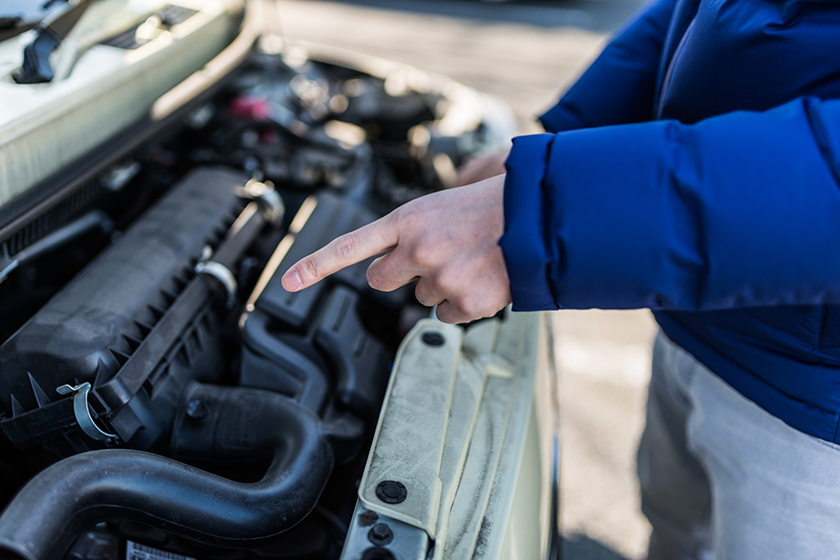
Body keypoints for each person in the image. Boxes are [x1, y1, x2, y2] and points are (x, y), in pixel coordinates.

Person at [281, 0, 840, 557]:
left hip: (816, 415)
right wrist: (563, 145)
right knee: (673, 529)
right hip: (699, 322)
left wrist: (538, 213)